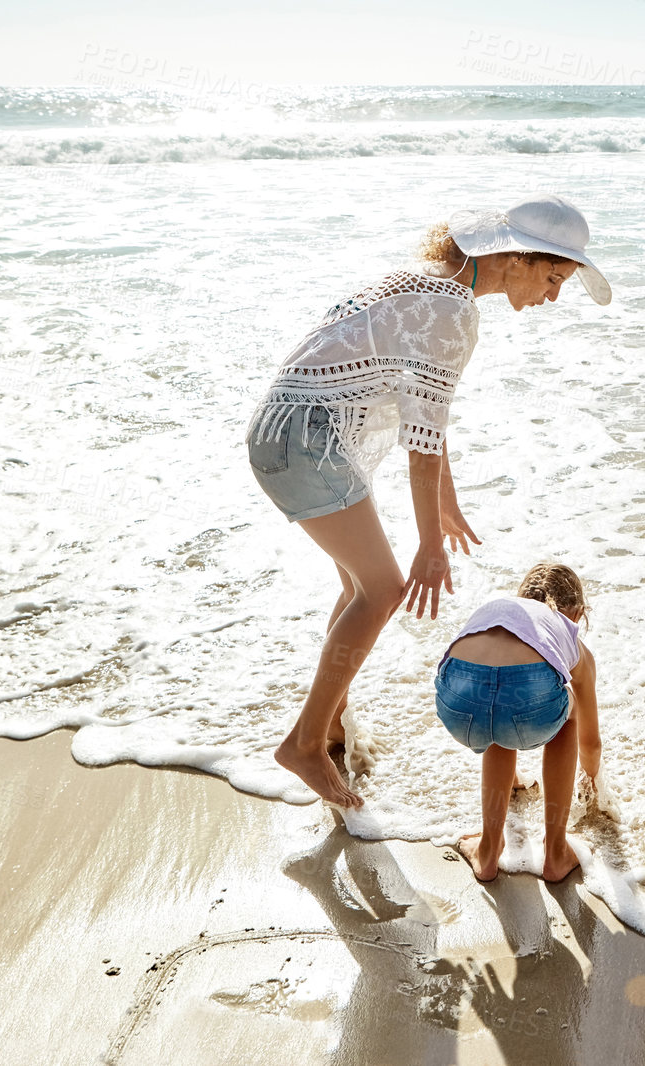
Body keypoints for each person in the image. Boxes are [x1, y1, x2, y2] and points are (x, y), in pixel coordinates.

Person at [247, 195, 613, 809]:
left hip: (282, 430)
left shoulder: (430, 281)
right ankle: (303, 743)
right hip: (309, 440)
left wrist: (446, 504)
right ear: (516, 257)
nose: (553, 296)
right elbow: (422, 441)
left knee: (357, 588)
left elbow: (422, 417)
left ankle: (330, 725)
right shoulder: (453, 311)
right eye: (553, 277)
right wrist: (429, 543)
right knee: (383, 590)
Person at [437, 564, 603, 883]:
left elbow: (493, 679)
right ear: (579, 613)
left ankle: (488, 851)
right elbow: (590, 742)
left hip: (455, 697)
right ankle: (556, 852)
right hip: (518, 696)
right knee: (569, 712)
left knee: (497, 706)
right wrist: (592, 782)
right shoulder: (567, 633)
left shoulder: (504, 612)